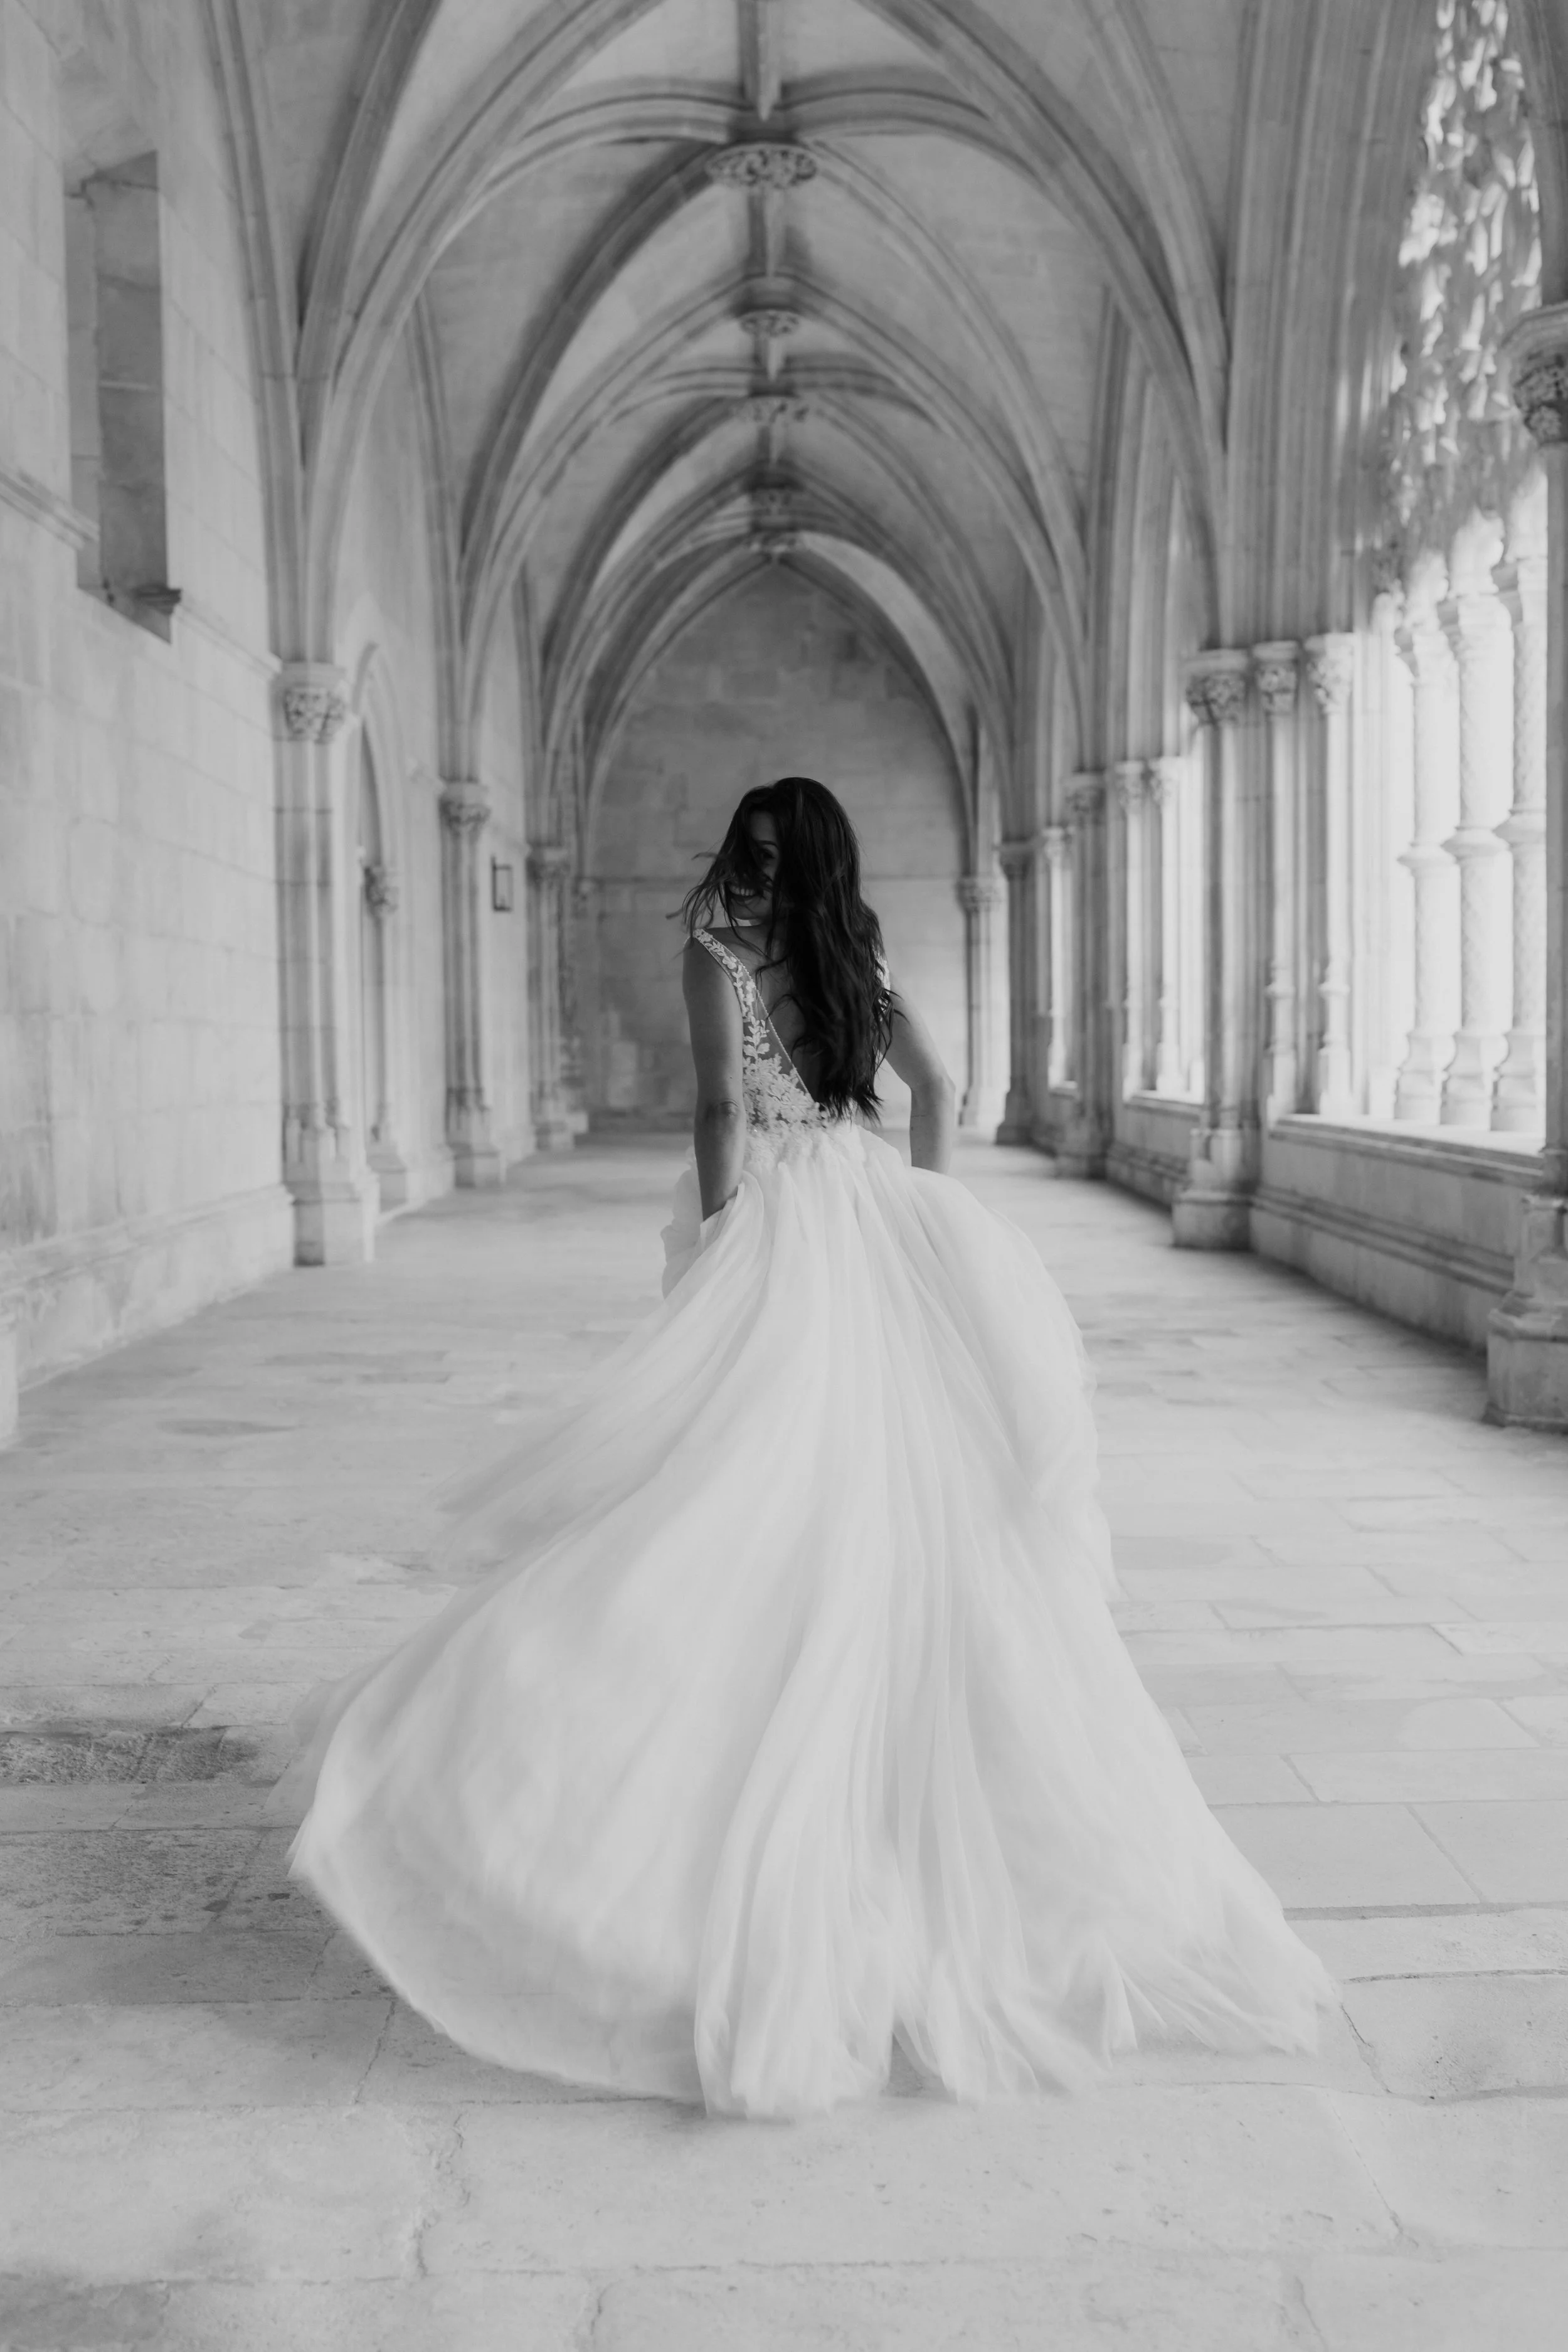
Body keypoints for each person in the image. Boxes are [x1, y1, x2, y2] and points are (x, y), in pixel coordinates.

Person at [287, 775, 1333, 2118]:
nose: (764, 879)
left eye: (768, 859)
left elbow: (720, 1112)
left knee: (734, 1488)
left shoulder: (714, 954)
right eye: (760, 859)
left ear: (765, 858)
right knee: (894, 1499)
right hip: (872, 1210)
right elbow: (938, 1086)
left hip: (779, 1227)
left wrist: (723, 1239)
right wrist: (923, 1210)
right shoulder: (859, 957)